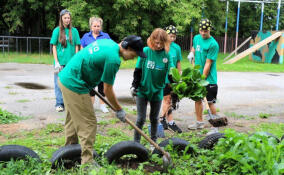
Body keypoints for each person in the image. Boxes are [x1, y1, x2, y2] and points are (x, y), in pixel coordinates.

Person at [58, 35, 146, 166]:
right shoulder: (114, 59)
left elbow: (89, 60)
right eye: (135, 53)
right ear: (127, 47)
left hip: (66, 78)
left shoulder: (107, 43)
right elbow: (107, 90)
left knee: (73, 119)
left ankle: (69, 154)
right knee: (88, 123)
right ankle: (87, 164)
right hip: (74, 84)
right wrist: (119, 109)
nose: (135, 57)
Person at [130, 28, 174, 146]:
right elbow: (138, 70)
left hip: (157, 91)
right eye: (156, 42)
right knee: (140, 119)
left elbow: (171, 74)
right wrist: (134, 85)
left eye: (161, 43)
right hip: (142, 90)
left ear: (165, 42)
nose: (158, 45)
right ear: (152, 40)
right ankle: (136, 144)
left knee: (154, 119)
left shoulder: (167, 56)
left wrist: (175, 87)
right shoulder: (145, 51)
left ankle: (153, 143)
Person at [187, 19, 219, 135]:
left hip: (209, 79)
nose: (203, 33)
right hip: (198, 76)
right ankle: (199, 122)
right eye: (201, 30)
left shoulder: (213, 44)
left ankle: (215, 127)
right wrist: (192, 53)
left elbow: (208, 63)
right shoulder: (196, 38)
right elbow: (194, 47)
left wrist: (202, 78)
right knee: (197, 99)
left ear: (209, 30)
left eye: (205, 31)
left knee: (209, 103)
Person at [50, 9, 81, 112]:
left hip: (71, 63)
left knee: (71, 84)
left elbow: (77, 46)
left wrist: (76, 60)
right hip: (60, 63)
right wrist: (56, 62)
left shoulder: (75, 31)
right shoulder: (56, 31)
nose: (67, 20)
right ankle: (59, 104)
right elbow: (54, 46)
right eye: (65, 18)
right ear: (61, 19)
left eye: (68, 18)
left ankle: (71, 103)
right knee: (58, 84)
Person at [80, 17, 111, 113]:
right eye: (94, 26)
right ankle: (90, 106)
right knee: (90, 88)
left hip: (102, 66)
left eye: (98, 26)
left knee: (102, 87)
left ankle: (102, 105)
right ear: (91, 26)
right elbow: (82, 49)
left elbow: (110, 48)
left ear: (101, 26)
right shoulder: (86, 36)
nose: (96, 28)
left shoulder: (105, 36)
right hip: (89, 67)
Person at [159, 25, 183, 133]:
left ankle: (164, 120)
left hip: (173, 76)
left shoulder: (176, 48)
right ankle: (167, 121)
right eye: (170, 36)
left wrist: (180, 74)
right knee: (167, 99)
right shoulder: (161, 46)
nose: (172, 38)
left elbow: (178, 62)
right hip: (164, 76)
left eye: (174, 36)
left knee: (172, 100)